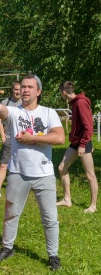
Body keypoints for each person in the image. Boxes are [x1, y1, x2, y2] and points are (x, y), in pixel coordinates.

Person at [0, 73, 65, 271]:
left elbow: (60, 138)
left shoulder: (48, 113)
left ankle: (53, 255)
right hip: (18, 173)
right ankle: (7, 247)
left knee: (49, 217)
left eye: (30, 87)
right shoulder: (14, 112)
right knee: (11, 213)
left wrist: (33, 139)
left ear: (38, 91)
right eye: (23, 87)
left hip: (44, 173)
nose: (25, 90)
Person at [57, 81, 98, 213]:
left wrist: (83, 144)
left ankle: (93, 206)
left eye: (60, 94)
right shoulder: (75, 103)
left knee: (90, 174)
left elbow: (88, 126)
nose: (61, 96)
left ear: (63, 92)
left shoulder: (80, 103)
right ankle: (67, 199)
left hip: (82, 143)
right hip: (76, 142)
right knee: (62, 168)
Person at [0, 81, 22, 202]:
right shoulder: (6, 103)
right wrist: (3, 137)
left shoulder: (25, 102)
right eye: (15, 89)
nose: (18, 91)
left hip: (22, 139)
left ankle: (22, 189)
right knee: (3, 164)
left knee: (22, 165)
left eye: (20, 89)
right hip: (9, 139)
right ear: (12, 90)